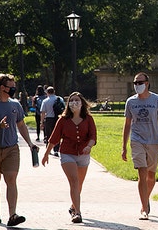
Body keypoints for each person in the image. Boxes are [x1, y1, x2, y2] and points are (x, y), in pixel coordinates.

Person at [0, 73, 37, 227]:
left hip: (11, 149)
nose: (14, 89)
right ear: (2, 88)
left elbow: (21, 125)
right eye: (11, 86)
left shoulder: (15, 104)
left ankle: (13, 215)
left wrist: (30, 143)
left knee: (11, 179)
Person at [42, 92, 97, 224]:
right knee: (74, 181)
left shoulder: (88, 119)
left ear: (82, 103)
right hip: (67, 153)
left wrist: (89, 146)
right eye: (71, 100)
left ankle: (73, 207)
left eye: (77, 100)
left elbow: (93, 136)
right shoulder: (63, 119)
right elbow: (54, 138)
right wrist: (46, 154)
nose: (74, 103)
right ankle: (77, 213)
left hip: (83, 154)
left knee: (79, 184)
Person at [122, 72, 158, 220]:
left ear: (147, 83)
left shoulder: (157, 99)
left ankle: (145, 199)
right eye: (135, 83)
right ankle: (144, 209)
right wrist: (124, 146)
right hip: (137, 141)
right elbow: (127, 124)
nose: (137, 85)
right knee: (142, 172)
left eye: (140, 82)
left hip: (153, 141)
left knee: (151, 175)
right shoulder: (130, 102)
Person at [41, 86, 62, 156]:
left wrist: (42, 122)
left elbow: (43, 112)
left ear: (47, 92)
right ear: (54, 92)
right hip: (57, 118)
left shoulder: (45, 101)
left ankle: (48, 149)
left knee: (48, 134)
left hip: (49, 119)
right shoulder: (59, 99)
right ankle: (56, 149)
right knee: (57, 134)